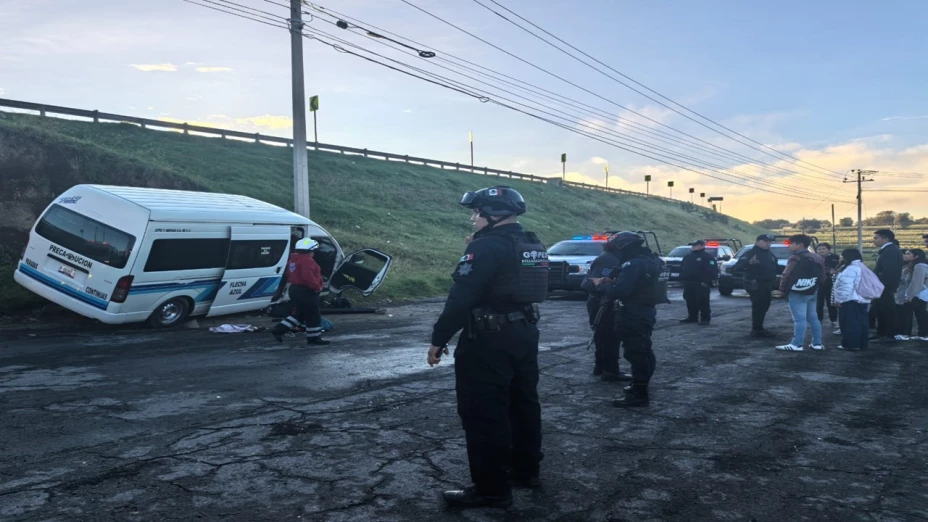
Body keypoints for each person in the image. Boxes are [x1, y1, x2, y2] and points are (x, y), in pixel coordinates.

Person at [427, 186, 547, 509]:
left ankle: (491, 489)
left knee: (484, 412)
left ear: (494, 214)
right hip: (524, 332)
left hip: (489, 340)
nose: (473, 218)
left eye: (477, 212)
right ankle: (526, 471)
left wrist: (439, 339)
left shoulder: (487, 246)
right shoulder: (530, 242)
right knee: (523, 405)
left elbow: (461, 298)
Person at [589, 231, 663, 408]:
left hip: (633, 313)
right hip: (645, 311)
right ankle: (639, 386)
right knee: (644, 350)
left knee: (636, 352)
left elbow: (620, 291)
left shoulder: (632, 264)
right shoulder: (651, 260)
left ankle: (639, 393)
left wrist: (603, 285)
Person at [581, 237, 631, 381]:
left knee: (603, 335)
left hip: (601, 301)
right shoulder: (609, 260)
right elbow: (598, 282)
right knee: (608, 336)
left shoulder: (610, 257)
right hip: (602, 303)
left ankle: (601, 367)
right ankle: (610, 370)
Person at [270, 238, 329, 345]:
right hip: (306, 290)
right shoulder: (307, 260)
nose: (314, 253)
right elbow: (308, 277)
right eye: (313, 251)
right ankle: (314, 338)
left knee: (300, 313)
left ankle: (279, 329)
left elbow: (289, 274)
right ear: (309, 251)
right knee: (313, 314)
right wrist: (317, 287)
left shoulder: (293, 260)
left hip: (295, 289)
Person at [776, 234, 825, 352]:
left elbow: (786, 275)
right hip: (813, 290)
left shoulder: (795, 258)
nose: (790, 246)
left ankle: (797, 344)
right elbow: (823, 276)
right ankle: (817, 343)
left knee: (799, 319)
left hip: (797, 291)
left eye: (792, 244)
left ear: (800, 245)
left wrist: (782, 290)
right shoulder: (817, 257)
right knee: (813, 317)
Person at [734, 234, 779, 337]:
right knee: (759, 306)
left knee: (764, 305)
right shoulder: (750, 253)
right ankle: (756, 329)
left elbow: (775, 267)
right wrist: (749, 263)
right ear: (758, 241)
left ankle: (759, 327)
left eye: (769, 242)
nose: (768, 244)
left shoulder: (769, 254)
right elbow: (737, 268)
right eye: (765, 241)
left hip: (767, 284)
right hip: (755, 284)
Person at [833, 248, 871, 351]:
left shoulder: (850, 268)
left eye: (842, 255)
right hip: (862, 299)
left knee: (849, 323)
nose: (841, 257)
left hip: (850, 299)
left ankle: (851, 344)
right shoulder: (862, 266)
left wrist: (840, 300)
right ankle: (862, 344)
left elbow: (846, 286)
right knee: (861, 323)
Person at [871, 229, 904, 344]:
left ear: (886, 239)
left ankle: (889, 335)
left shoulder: (890, 251)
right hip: (883, 286)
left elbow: (889, 272)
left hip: (885, 287)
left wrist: (882, 286)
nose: (874, 240)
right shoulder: (888, 250)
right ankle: (881, 333)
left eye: (876, 238)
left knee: (888, 311)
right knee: (881, 311)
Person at [678, 239, 717, 325]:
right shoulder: (688, 256)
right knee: (690, 300)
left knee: (703, 301)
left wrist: (707, 281)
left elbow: (712, 270)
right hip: (689, 282)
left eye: (696, 245)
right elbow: (682, 268)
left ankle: (705, 318)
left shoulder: (708, 257)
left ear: (702, 246)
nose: (693, 247)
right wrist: (682, 279)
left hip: (701, 283)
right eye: (693, 245)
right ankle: (692, 317)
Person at [901, 249, 928, 341]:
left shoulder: (920, 267)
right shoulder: (914, 266)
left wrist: (909, 296)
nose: (905, 255)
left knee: (917, 313)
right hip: (918, 293)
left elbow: (917, 283)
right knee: (920, 313)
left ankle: (907, 334)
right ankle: (922, 334)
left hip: (919, 293)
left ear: (916, 256)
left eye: (908, 254)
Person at [815, 243, 840, 334]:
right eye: (819, 249)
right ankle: (818, 319)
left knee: (831, 302)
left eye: (823, 249)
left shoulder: (835, 258)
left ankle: (834, 320)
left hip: (831, 283)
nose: (821, 251)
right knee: (819, 303)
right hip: (818, 283)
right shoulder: (814, 258)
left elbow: (839, 269)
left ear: (829, 250)